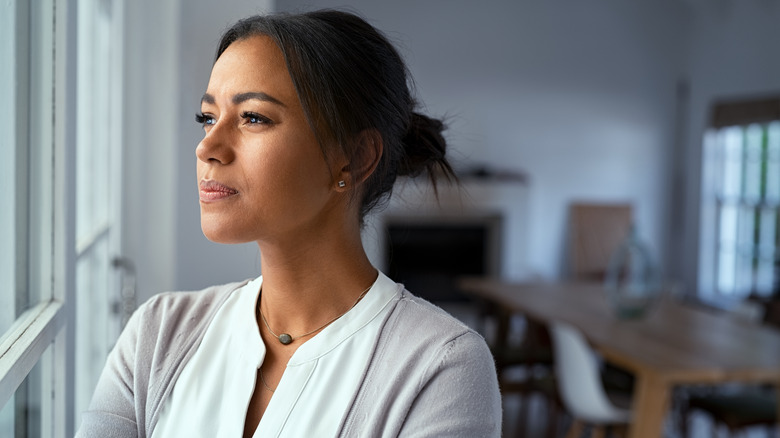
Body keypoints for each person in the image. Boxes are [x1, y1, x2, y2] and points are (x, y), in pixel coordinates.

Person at [77, 9, 501, 438]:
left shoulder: (441, 368)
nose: (207, 147)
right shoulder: (157, 335)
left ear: (354, 159)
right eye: (208, 118)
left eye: (253, 117)